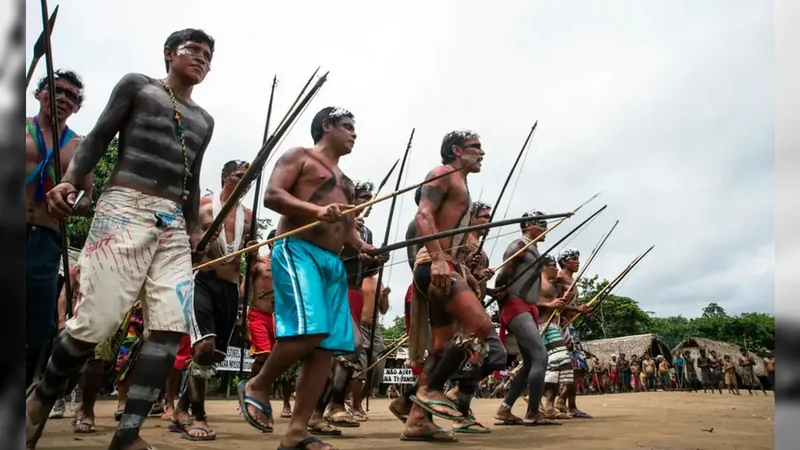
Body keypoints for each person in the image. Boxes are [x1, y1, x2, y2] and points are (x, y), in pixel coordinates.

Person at [27, 29, 216, 450]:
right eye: (194, 51)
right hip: (125, 208)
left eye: (209, 55)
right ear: (169, 53)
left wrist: (193, 229)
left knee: (169, 327)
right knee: (95, 324)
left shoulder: (205, 120)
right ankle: (41, 397)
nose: (202, 59)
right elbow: (96, 137)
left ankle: (127, 435)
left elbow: (193, 177)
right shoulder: (138, 86)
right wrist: (70, 181)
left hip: (173, 227)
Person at [237, 107, 381, 450]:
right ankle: (258, 384)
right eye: (347, 126)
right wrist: (316, 211)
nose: (354, 134)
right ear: (326, 126)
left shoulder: (345, 182)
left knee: (326, 348)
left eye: (354, 128)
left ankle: (297, 433)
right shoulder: (299, 156)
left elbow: (346, 228)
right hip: (298, 251)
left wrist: (362, 247)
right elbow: (273, 196)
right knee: (311, 328)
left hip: (333, 263)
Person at [403, 130, 495, 443]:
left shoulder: (462, 184)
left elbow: (451, 234)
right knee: (480, 326)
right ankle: (429, 391)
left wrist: (461, 268)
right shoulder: (443, 174)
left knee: (441, 348)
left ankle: (417, 420)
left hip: (446, 265)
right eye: (475, 147)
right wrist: (441, 260)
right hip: (433, 265)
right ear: (456, 150)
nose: (482, 152)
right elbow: (423, 214)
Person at [171, 160, 255, 441]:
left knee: (213, 355)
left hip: (231, 289)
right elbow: (186, 247)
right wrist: (201, 240)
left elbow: (248, 257)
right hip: (202, 282)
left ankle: (180, 410)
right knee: (204, 347)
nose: (244, 182)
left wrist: (247, 295)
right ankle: (199, 416)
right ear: (224, 176)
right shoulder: (203, 206)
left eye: (248, 179)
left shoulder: (249, 216)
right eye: (239, 177)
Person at [26, 69, 91, 388]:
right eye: (56, 90)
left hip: (47, 238)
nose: (63, 98)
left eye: (71, 96)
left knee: (37, 323)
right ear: (39, 93)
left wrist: (72, 204)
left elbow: (87, 198)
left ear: (78, 107)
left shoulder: (79, 146)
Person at [444, 201, 506, 434]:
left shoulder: (476, 244)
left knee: (489, 357)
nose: (488, 220)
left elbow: (474, 280)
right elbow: (457, 272)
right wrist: (474, 272)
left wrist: (488, 288)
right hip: (464, 312)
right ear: (471, 217)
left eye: (490, 216)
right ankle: (460, 415)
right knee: (476, 359)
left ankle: (456, 399)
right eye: (484, 216)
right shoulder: (461, 241)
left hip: (475, 309)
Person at [493, 217, 562, 426]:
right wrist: (500, 295)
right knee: (541, 356)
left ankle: (504, 409)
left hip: (526, 306)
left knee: (531, 362)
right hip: (516, 305)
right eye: (540, 224)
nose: (545, 228)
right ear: (528, 225)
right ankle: (533, 413)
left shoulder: (532, 250)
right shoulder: (519, 245)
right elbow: (503, 274)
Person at [553, 248, 592, 418]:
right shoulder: (559, 279)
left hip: (570, 326)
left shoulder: (571, 280)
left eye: (578, 258)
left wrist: (583, 310)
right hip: (561, 327)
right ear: (564, 261)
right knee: (573, 366)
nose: (577, 262)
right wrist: (577, 309)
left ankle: (564, 402)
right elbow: (555, 304)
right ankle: (567, 404)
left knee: (579, 367)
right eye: (573, 259)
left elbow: (572, 305)